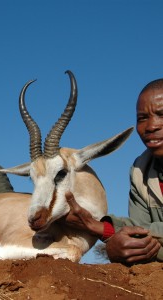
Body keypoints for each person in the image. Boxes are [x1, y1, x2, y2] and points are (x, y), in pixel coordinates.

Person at [63, 78, 163, 265]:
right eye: (142, 118)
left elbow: (148, 240)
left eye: (162, 114)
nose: (151, 126)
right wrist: (118, 243)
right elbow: (140, 235)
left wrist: (101, 228)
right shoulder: (140, 170)